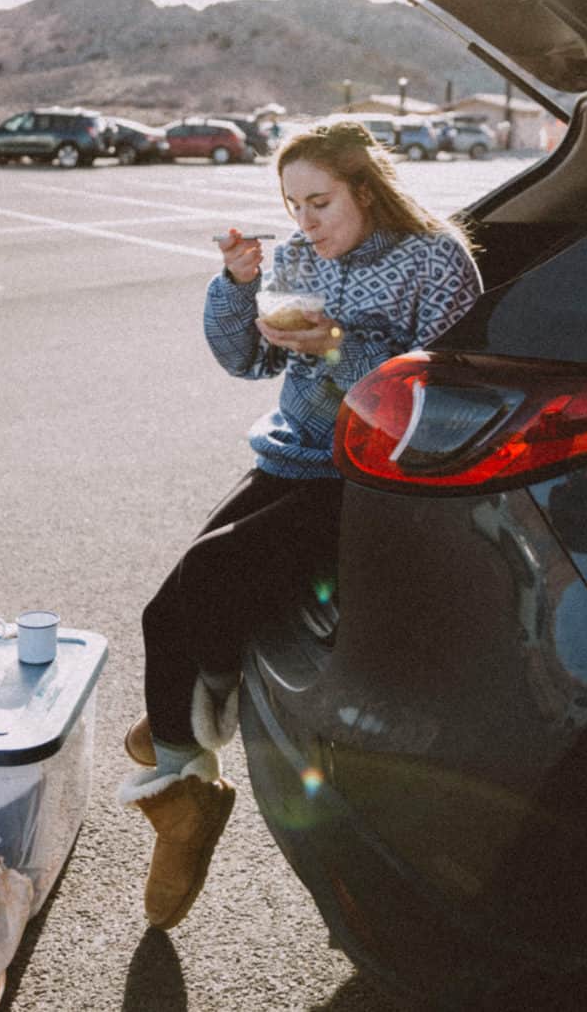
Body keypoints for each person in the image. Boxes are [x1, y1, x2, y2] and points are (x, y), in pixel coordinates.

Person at [117, 119, 482, 929]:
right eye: (293, 204)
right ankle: (184, 780)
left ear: (366, 185)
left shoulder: (436, 258)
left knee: (210, 582)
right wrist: (236, 288)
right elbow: (246, 361)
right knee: (164, 609)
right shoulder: (297, 255)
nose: (305, 222)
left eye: (320, 202)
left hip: (370, 474)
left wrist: (341, 345)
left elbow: (440, 393)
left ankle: (180, 765)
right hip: (291, 455)